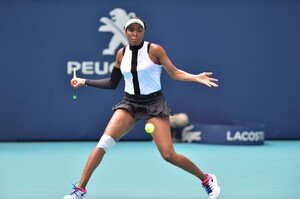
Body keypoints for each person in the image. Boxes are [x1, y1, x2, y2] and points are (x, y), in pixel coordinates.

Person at [63, 17, 220, 199]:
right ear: (126, 32)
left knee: (168, 155)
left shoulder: (155, 50)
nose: (135, 33)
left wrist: (195, 77)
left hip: (154, 104)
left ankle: (207, 179)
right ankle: (80, 190)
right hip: (129, 103)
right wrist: (84, 81)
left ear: (143, 32)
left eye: (139, 30)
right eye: (131, 30)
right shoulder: (121, 54)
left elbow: (174, 72)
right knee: (103, 143)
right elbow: (112, 83)